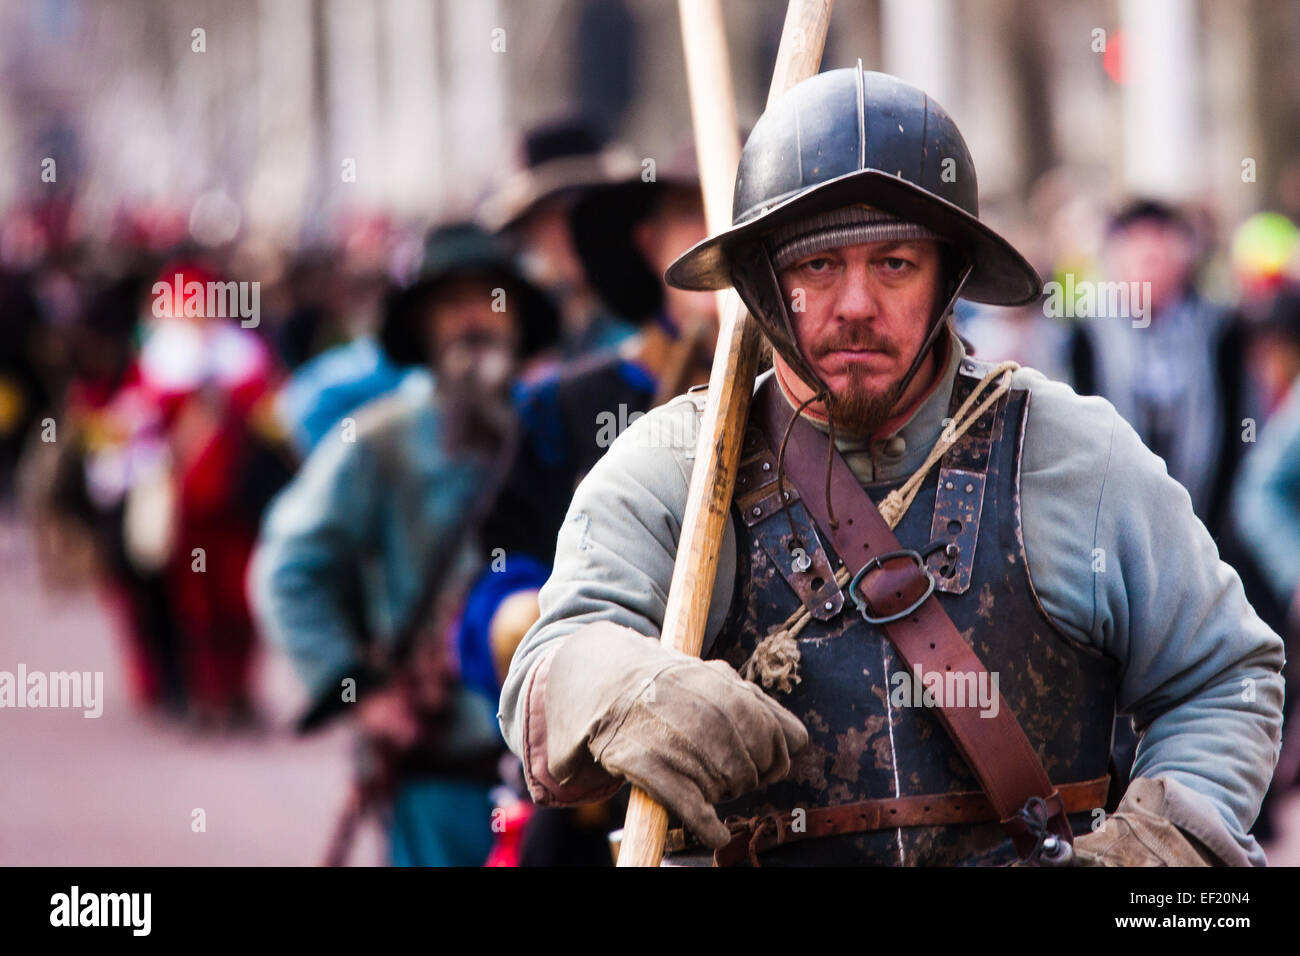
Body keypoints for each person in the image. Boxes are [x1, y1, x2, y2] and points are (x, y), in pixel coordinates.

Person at [498, 68, 1284, 867]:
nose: (855, 306)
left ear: (949, 277)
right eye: (817, 267)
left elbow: (1227, 677)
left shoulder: (1079, 453)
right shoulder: (672, 469)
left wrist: (1154, 851)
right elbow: (546, 672)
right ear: (768, 288)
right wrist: (617, 689)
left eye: (895, 264)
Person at [249, 222, 559, 865]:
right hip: (437, 769)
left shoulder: (563, 422)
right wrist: (358, 688)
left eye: (491, 299)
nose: (474, 319)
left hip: (559, 773)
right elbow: (286, 568)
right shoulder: (378, 440)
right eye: (451, 304)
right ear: (422, 326)